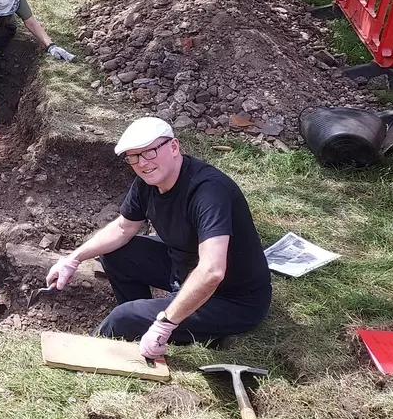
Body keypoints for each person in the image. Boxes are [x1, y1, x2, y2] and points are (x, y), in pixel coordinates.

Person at [43, 117, 271, 359]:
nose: (142, 163)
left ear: (174, 147)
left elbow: (212, 271)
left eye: (150, 152)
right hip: (182, 270)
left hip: (231, 300)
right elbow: (122, 228)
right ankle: (145, 325)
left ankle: (94, 350)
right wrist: (73, 259)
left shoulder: (208, 191)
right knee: (116, 254)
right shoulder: (148, 183)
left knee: (125, 317)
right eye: (133, 157)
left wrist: (165, 323)